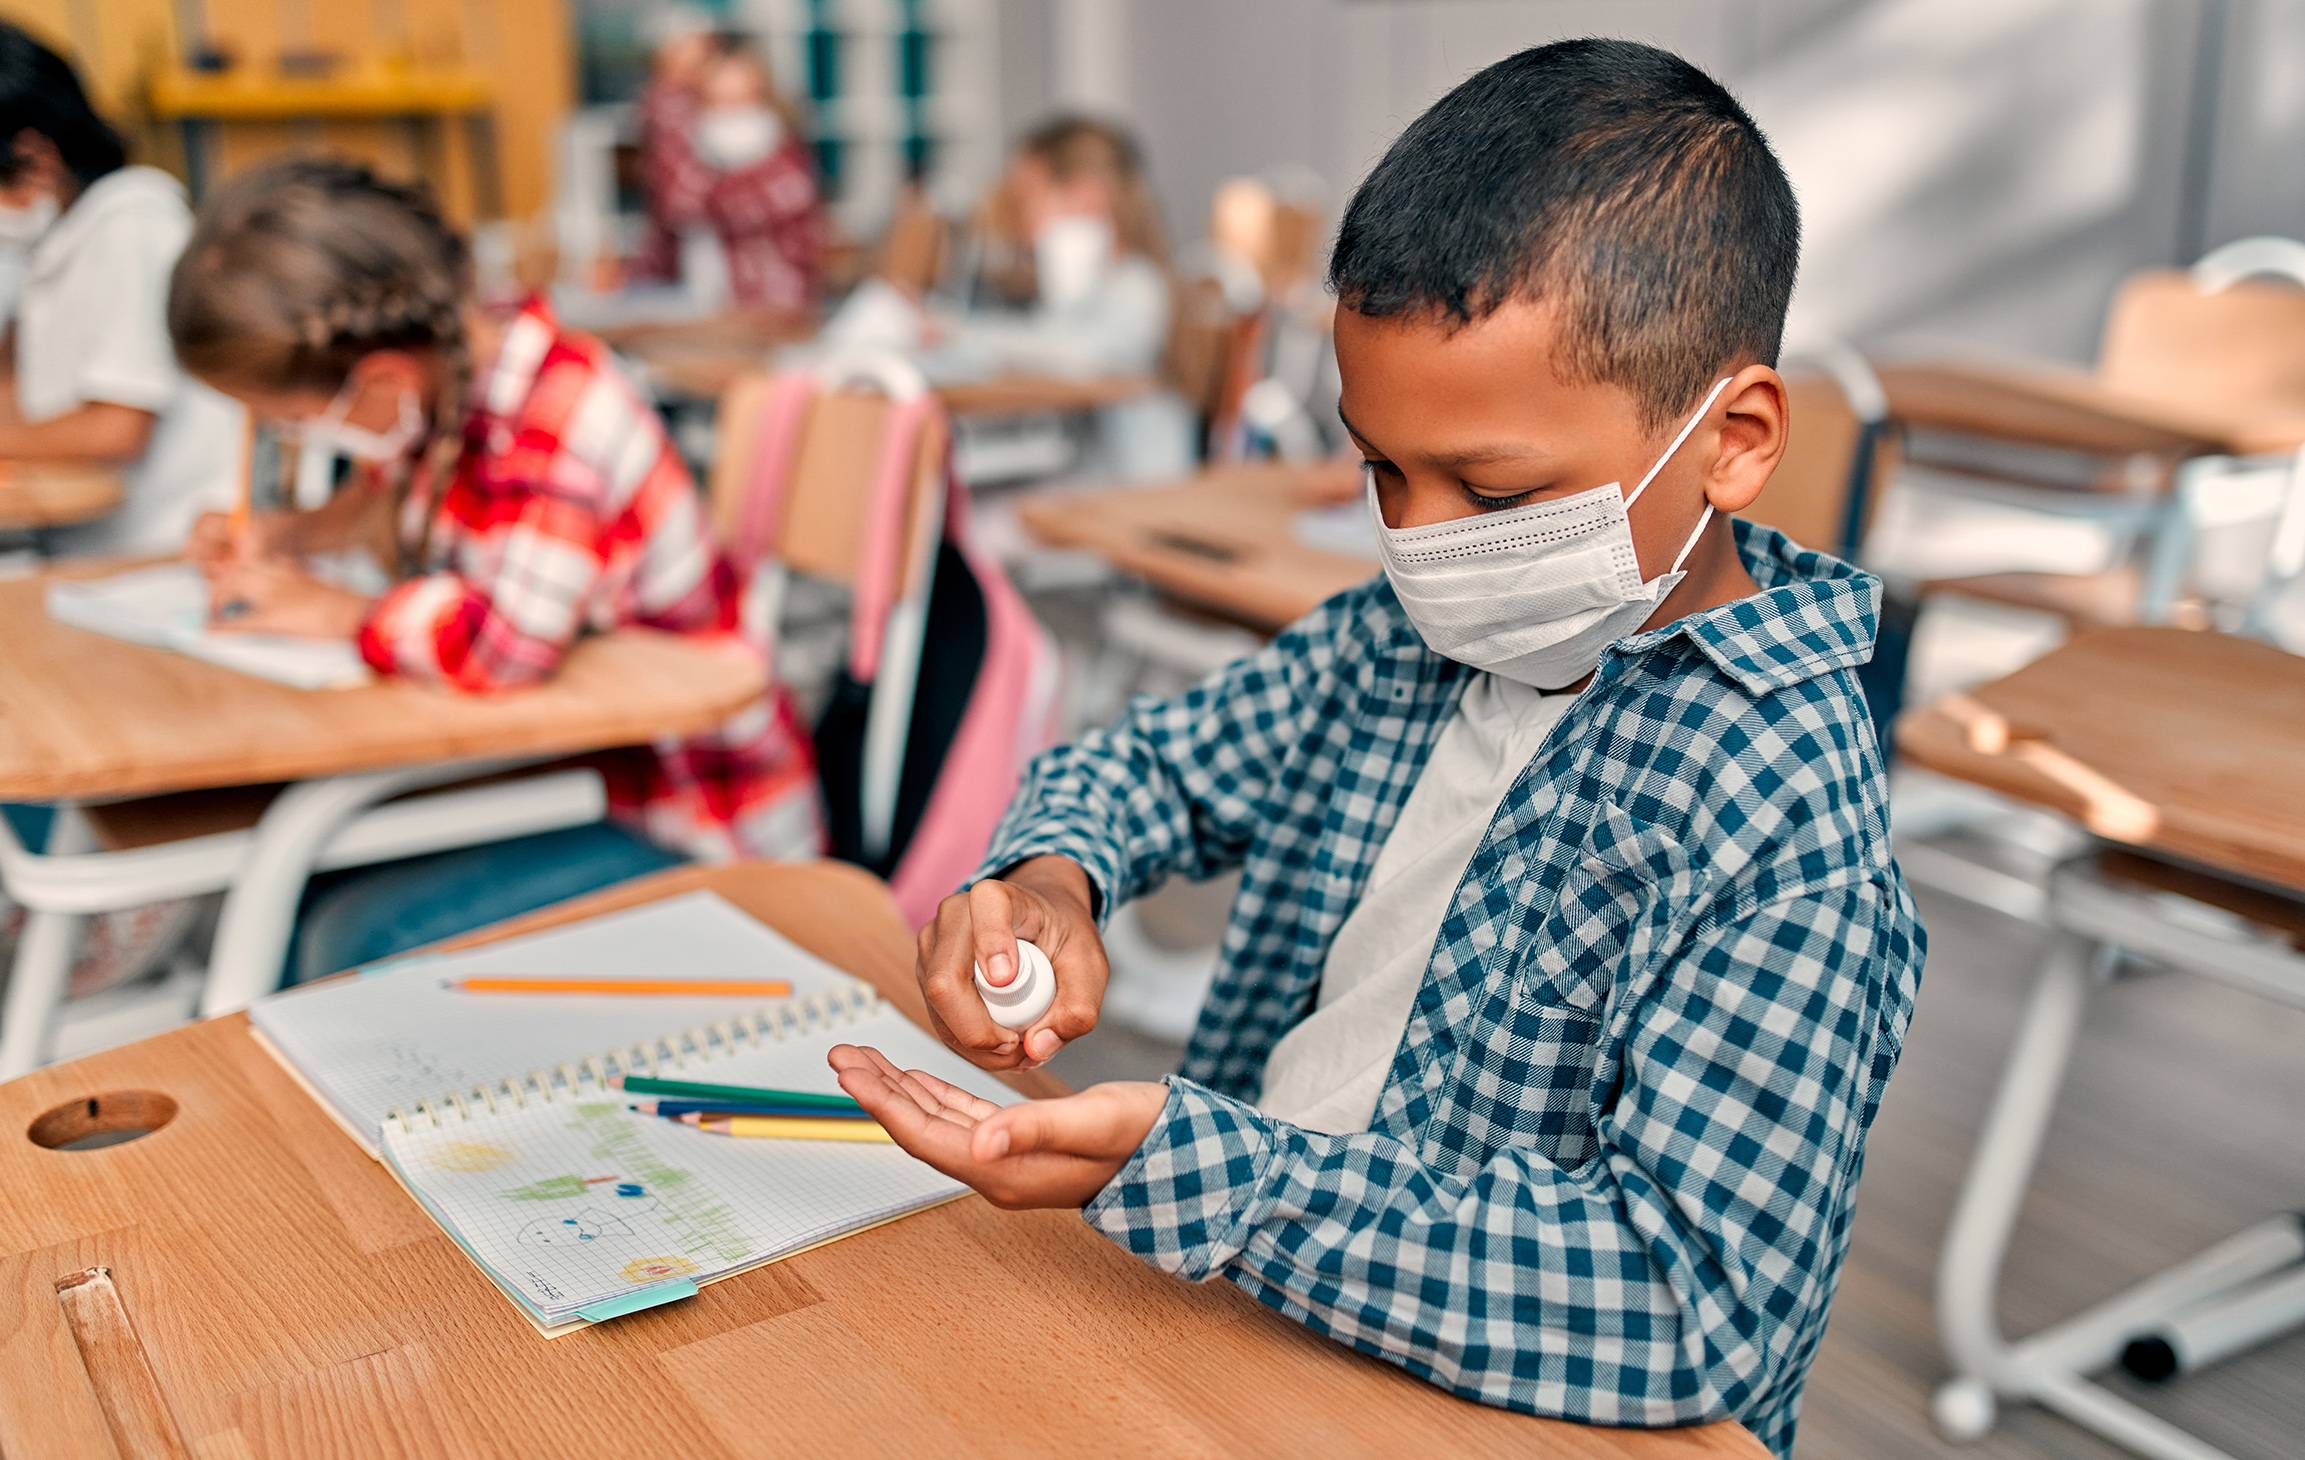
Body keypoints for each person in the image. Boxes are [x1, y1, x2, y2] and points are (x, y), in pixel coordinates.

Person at [828, 40, 1924, 1459]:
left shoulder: (1777, 815)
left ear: (1734, 440)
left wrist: (1220, 1177)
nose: (1419, 538)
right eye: (1383, 469)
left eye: (1493, 487)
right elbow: (1148, 765)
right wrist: (1052, 879)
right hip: (1238, 1326)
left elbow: (1683, 1304)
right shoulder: (1392, 642)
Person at [165, 158, 819, 980]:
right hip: (565, 771)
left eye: (288, 422)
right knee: (292, 882)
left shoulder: (557, 413)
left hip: (688, 822)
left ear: (380, 379)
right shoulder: (452, 383)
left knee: (349, 938)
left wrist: (332, 612)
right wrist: (284, 537)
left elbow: (501, 647)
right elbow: (391, 500)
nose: (293, 439)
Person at [0, 21, 245, 554]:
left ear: (35, 159)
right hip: (77, 541)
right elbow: (12, 394)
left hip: (158, 548)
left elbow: (117, 430)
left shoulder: (133, 220)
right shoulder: (51, 245)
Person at [635, 26, 823, 314]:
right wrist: (672, 84)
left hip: (773, 305)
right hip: (697, 305)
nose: (729, 86)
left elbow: (718, 207)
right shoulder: (686, 141)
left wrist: (707, 188)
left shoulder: (784, 157)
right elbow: (675, 206)